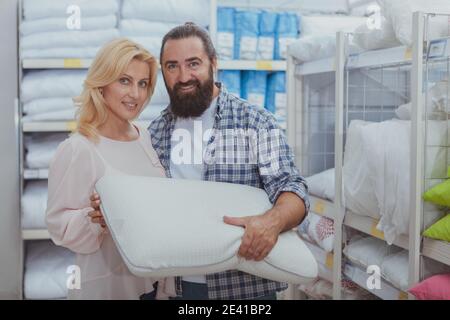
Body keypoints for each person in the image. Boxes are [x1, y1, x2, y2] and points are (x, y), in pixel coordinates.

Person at [91, 23, 310, 300]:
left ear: (214, 63)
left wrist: (272, 222)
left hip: (244, 287)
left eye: (193, 63)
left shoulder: (254, 122)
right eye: (172, 66)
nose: (183, 76)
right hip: (176, 285)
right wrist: (111, 209)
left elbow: (293, 187)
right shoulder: (155, 133)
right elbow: (146, 202)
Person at [46, 38, 175, 300]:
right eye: (124, 81)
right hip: (109, 286)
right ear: (102, 84)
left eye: (143, 84)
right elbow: (58, 226)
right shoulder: (79, 148)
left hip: (151, 282)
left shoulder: (145, 137)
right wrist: (95, 219)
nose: (136, 94)